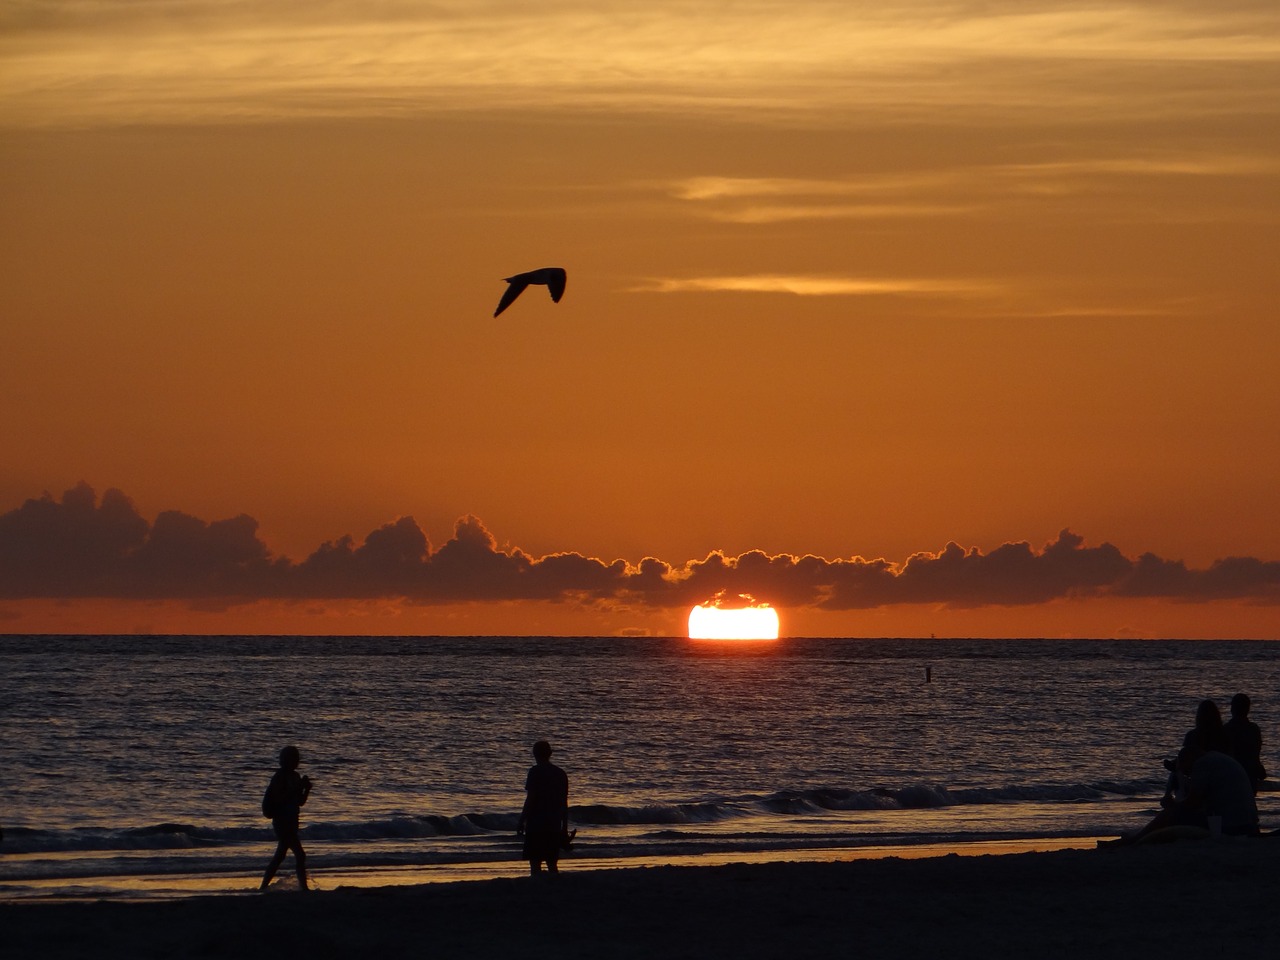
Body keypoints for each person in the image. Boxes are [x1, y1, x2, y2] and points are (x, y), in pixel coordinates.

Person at [1118, 729, 1259, 845]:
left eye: (1186, 771)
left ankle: (1134, 840)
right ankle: (1137, 838)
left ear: (1189, 760)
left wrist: (1173, 805)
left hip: (1231, 827)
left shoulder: (1201, 764)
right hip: (1248, 823)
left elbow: (1193, 803)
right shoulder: (1217, 759)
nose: (1188, 775)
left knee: (1170, 814)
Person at [260, 745, 313, 891]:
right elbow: (279, 799)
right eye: (294, 758)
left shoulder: (295, 777)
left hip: (292, 821)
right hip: (281, 821)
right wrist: (297, 788)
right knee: (299, 855)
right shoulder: (279, 777)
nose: (297, 761)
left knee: (281, 856)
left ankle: (263, 887)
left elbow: (300, 802)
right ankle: (304, 888)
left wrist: (306, 789)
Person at [516, 740, 570, 876]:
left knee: (535, 862)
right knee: (552, 863)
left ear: (534, 754)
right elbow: (564, 802)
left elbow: (531, 798)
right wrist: (564, 827)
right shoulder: (561, 774)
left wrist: (522, 819)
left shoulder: (535, 772)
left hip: (536, 823)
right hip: (553, 822)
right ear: (550, 754)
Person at [1224, 693, 1267, 795]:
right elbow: (1255, 755)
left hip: (1230, 778)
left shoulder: (1226, 729)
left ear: (1232, 709)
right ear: (1248, 709)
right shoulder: (1254, 729)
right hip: (1250, 777)